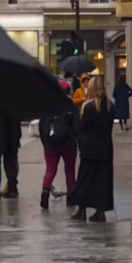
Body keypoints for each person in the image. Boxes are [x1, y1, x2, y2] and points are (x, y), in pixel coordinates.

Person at [69, 73, 115, 223]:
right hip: (105, 149)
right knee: (103, 181)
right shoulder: (109, 106)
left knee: (85, 178)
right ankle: (100, 211)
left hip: (90, 149)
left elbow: (83, 127)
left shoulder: (88, 107)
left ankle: (82, 209)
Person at [38, 83, 79, 210]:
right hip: (68, 144)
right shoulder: (71, 106)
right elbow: (77, 126)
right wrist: (76, 140)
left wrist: (45, 142)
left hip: (51, 145)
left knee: (50, 169)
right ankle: (71, 197)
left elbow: (41, 126)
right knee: (70, 170)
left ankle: (45, 192)